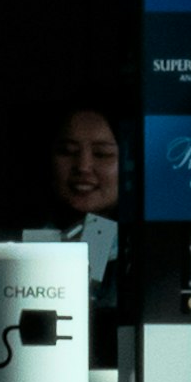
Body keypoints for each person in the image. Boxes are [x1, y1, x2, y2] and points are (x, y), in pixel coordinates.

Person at [23, 97, 125, 324]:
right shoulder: (9, 241)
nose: (83, 166)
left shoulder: (148, 254)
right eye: (67, 151)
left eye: (102, 154)